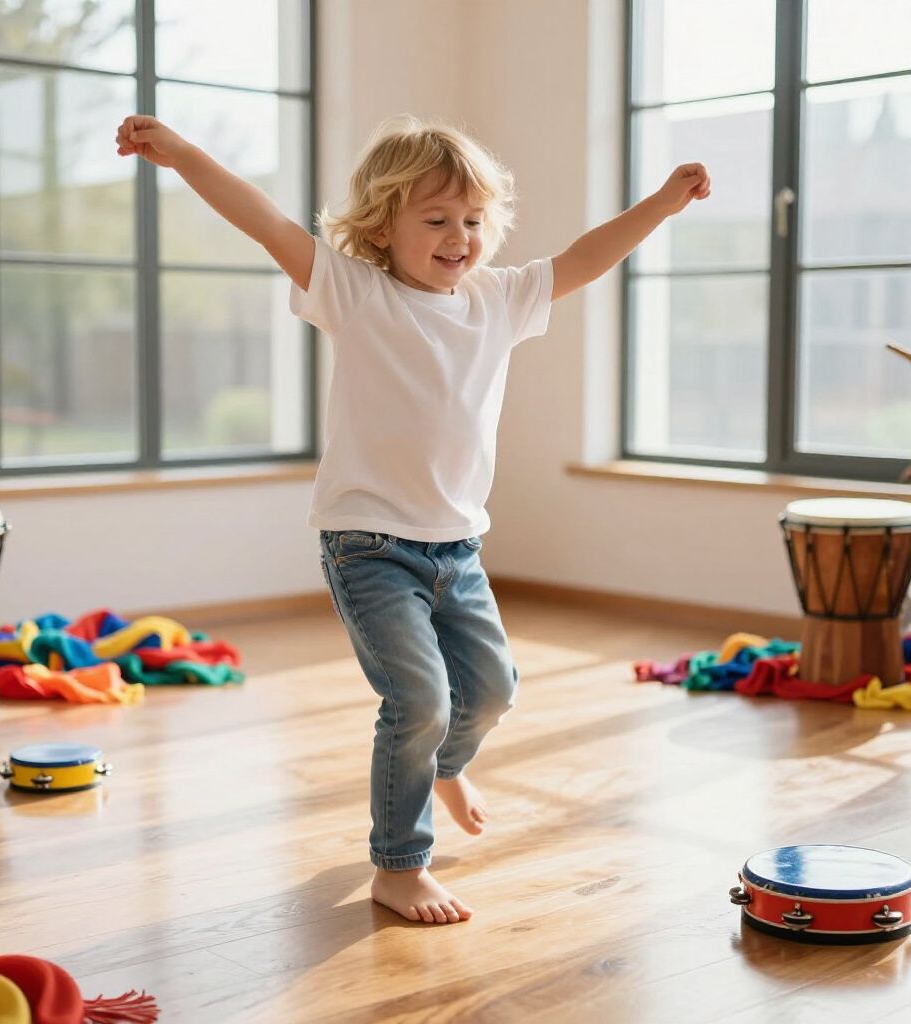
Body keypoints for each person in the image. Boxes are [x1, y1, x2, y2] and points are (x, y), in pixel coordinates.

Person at [116, 112, 710, 925]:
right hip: (367, 543)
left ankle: (443, 764)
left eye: (471, 220)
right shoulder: (355, 291)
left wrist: (661, 205)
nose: (457, 236)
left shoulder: (499, 299)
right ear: (381, 226)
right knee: (420, 699)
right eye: (434, 219)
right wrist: (180, 154)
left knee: (494, 690)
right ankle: (398, 866)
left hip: (458, 545)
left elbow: (584, 258)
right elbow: (264, 221)